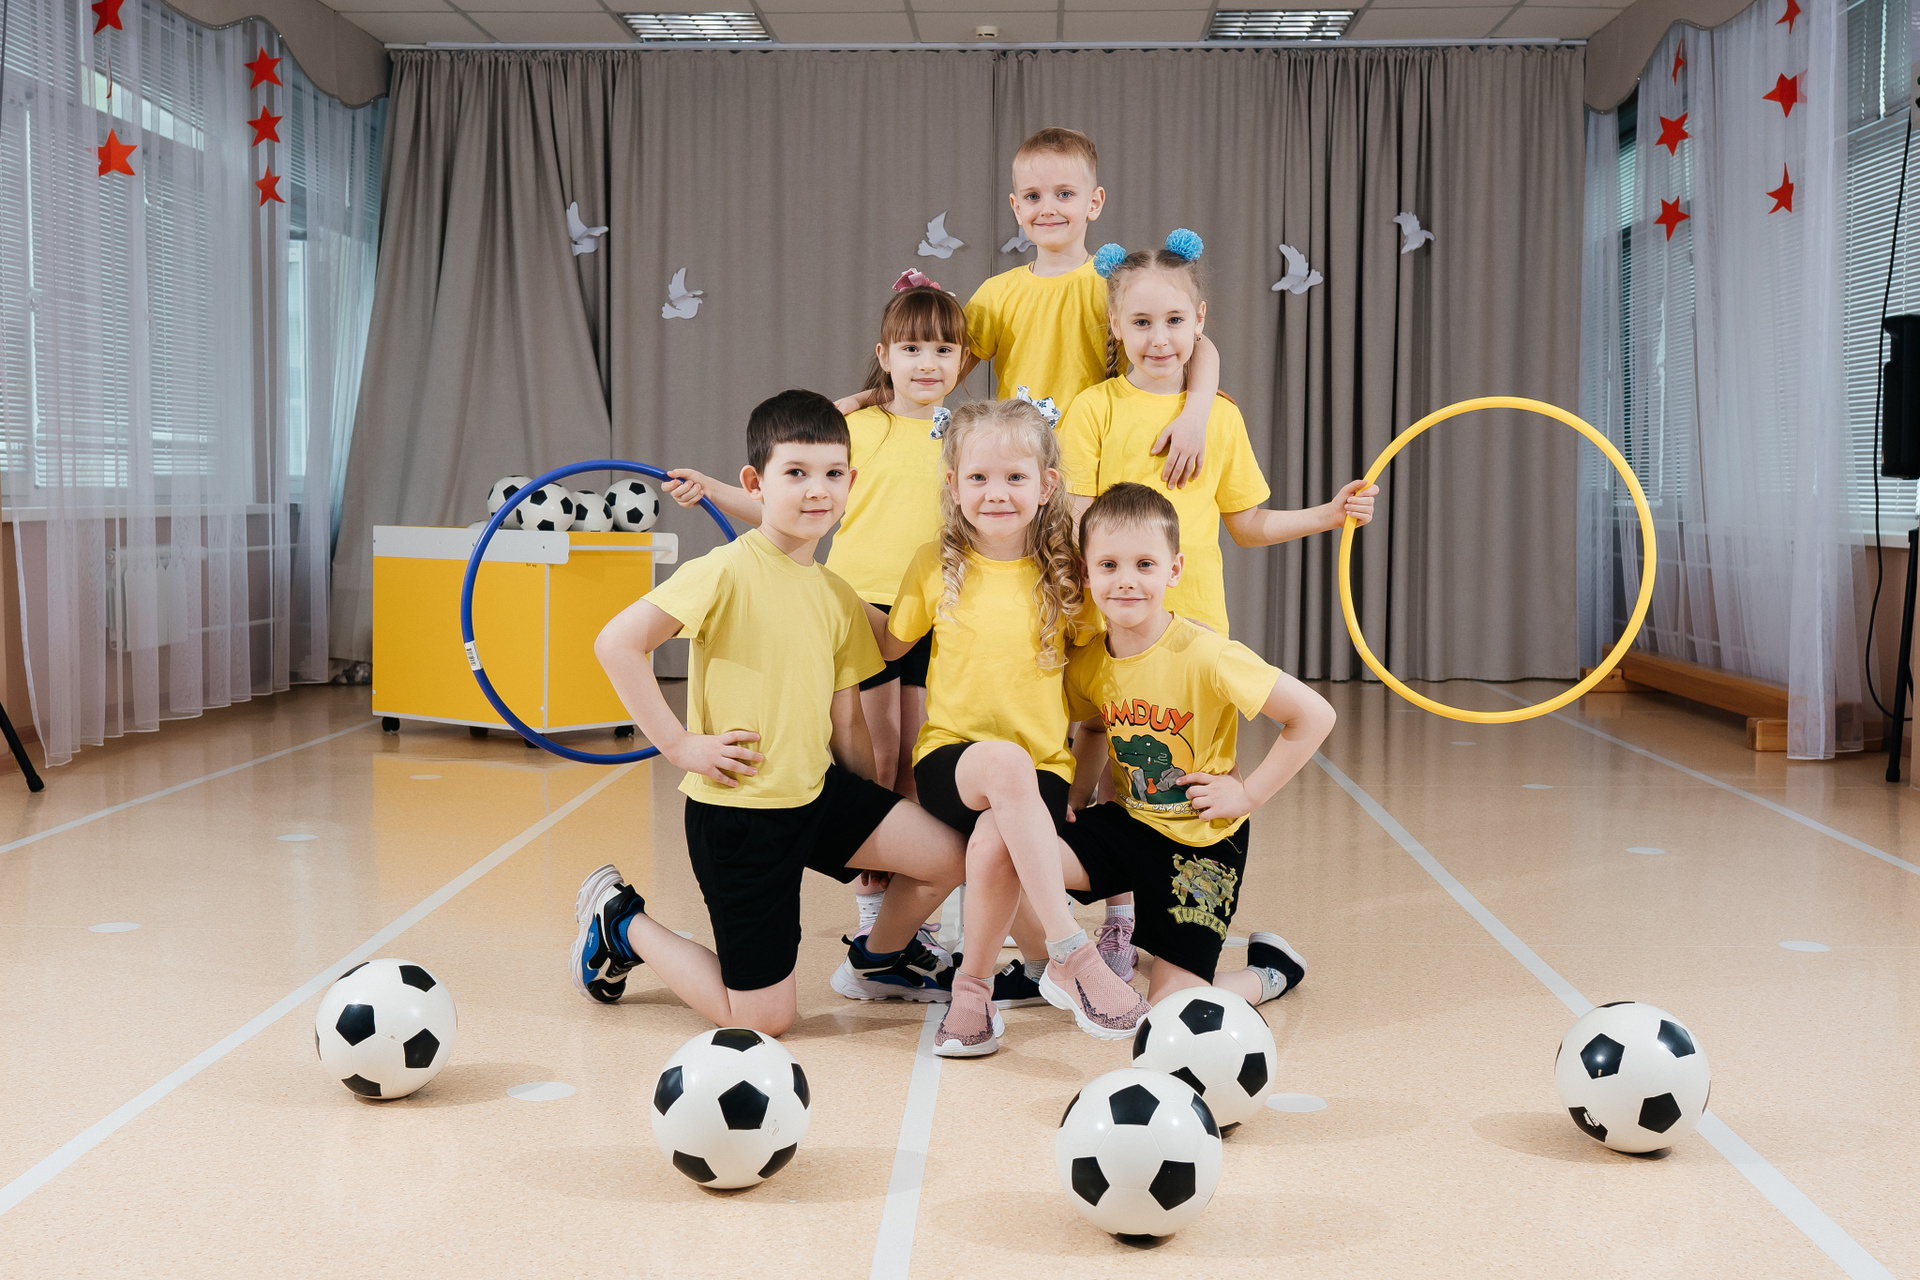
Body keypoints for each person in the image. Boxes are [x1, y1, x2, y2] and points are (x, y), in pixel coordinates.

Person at [575, 390, 966, 1036]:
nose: (817, 490)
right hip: (740, 818)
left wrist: (869, 817)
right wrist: (679, 746)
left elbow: (848, 722)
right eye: (797, 473)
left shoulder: (836, 593)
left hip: (818, 796)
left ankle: (878, 961)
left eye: (833, 473)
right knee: (765, 1020)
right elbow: (616, 643)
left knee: (950, 854)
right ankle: (621, 922)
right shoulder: (725, 570)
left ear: (851, 483)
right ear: (756, 484)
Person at [1055, 231, 1376, 980]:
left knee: (1174, 774)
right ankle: (1121, 921)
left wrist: (1328, 515)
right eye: (1141, 322)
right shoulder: (1094, 409)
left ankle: (1188, 923)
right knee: (1111, 754)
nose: (1158, 338)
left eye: (1174, 321)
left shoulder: (1220, 418)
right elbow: (1075, 513)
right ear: (1115, 326)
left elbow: (1248, 523)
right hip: (1110, 622)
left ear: (1199, 320)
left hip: (1192, 624)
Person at [933, 483, 1331, 1057]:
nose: (1126, 580)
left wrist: (1247, 796)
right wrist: (1075, 795)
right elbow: (1095, 728)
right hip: (1129, 825)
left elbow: (1313, 716)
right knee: (1000, 833)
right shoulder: (1090, 660)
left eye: (1145, 564)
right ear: (1085, 573)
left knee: (1170, 1014)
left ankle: (1268, 973)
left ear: (1175, 570)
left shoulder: (1208, 654)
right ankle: (977, 991)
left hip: (1201, 845)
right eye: (1109, 565)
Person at [661, 276, 963, 954]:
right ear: (884, 356)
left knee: (918, 756)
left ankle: (912, 914)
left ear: (963, 361)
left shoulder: (961, 437)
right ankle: (871, 900)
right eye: (911, 349)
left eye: (944, 350)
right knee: (876, 749)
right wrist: (712, 489)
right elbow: (786, 489)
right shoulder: (855, 429)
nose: (928, 363)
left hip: (932, 612)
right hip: (860, 605)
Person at [868, 397, 1153, 1050]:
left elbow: (1093, 698)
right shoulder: (933, 565)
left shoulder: (1068, 577)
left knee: (999, 832)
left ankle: (973, 995)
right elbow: (887, 646)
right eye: (979, 477)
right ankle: (1072, 953)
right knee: (1001, 763)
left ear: (1047, 485)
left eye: (1015, 477)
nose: (996, 492)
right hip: (951, 761)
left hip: (1042, 773)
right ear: (953, 485)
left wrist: (1082, 787)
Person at [835, 127, 1222, 490]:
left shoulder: (1118, 285)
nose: (1048, 208)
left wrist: (1195, 414)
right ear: (1016, 207)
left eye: (1064, 194)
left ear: (1094, 202)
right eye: (1033, 196)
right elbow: (935, 369)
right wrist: (861, 399)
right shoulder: (997, 294)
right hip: (1019, 470)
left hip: (1101, 464)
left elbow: (1198, 344)